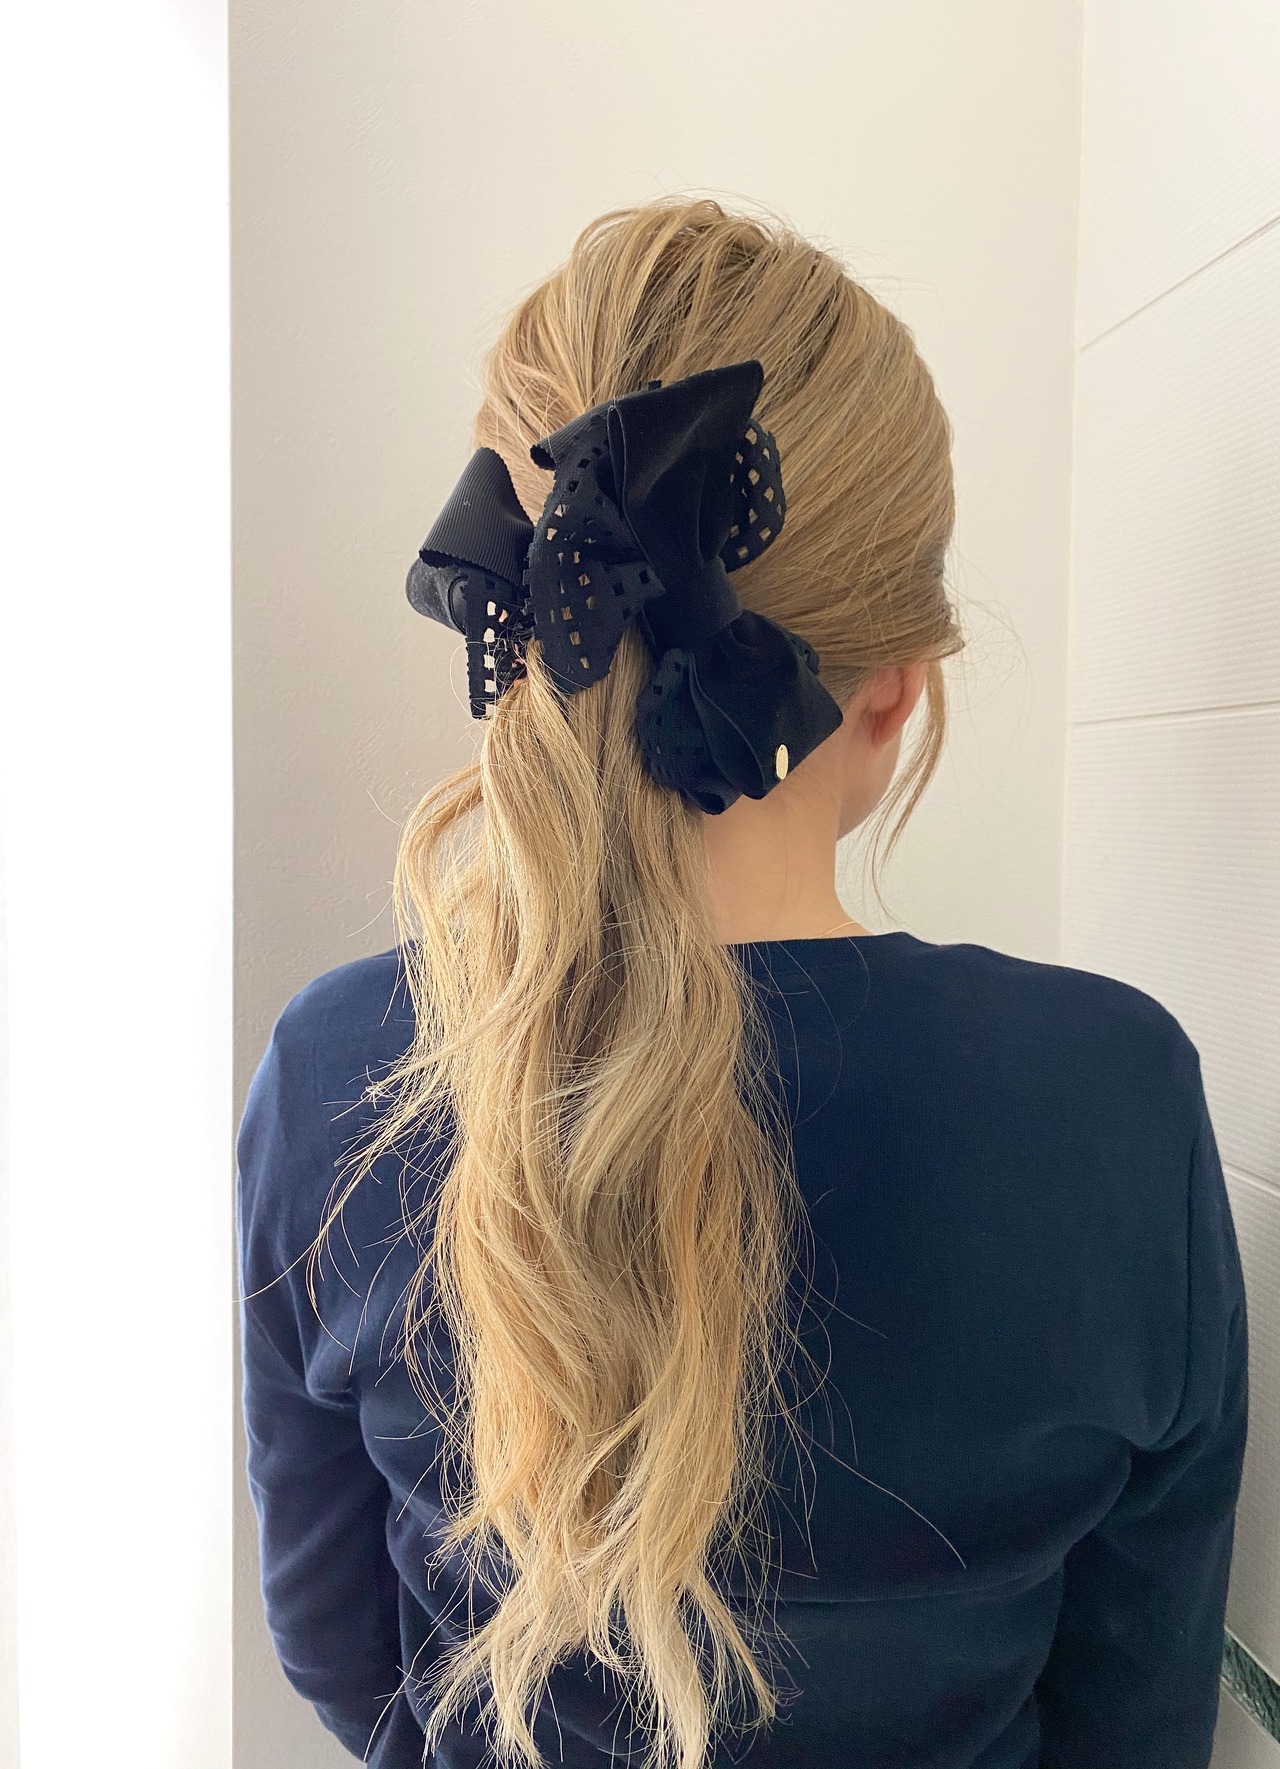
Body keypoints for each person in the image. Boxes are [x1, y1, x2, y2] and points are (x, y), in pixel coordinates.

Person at [237, 195, 1249, 1769]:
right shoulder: (1114, 1092)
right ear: (898, 682)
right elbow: (1140, 1709)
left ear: (517, 621)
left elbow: (341, 1649)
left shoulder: (339, 1071)